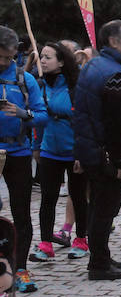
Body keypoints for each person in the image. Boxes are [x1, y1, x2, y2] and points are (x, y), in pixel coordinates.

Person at [72, 19, 121, 280]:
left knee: (99, 206)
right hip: (104, 155)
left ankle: (101, 256)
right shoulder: (115, 76)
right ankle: (99, 264)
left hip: (91, 150)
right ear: (113, 41)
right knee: (105, 209)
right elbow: (113, 125)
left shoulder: (95, 65)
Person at [29, 42, 89, 262]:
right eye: (41, 57)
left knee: (78, 197)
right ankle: (45, 244)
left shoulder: (75, 88)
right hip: (49, 151)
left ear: (62, 61)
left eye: (48, 57)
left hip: (74, 152)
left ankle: (81, 239)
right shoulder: (41, 85)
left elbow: (85, 123)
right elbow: (38, 120)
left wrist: (82, 154)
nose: (42, 61)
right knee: (48, 198)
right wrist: (36, 147)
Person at [0, 25, 48, 292]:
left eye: (9, 57)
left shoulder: (24, 79)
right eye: (2, 57)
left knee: (21, 212)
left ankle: (20, 269)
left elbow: (43, 116)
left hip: (18, 152)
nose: (6, 62)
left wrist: (23, 114)